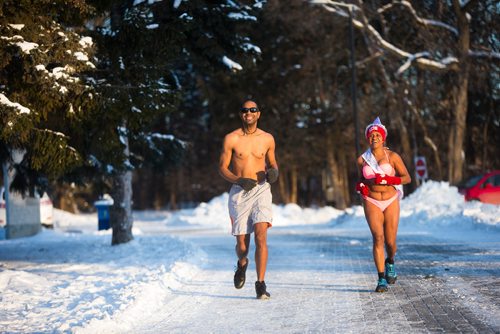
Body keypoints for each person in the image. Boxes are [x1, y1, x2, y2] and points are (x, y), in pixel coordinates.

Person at [218, 100, 279, 300]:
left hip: (261, 190)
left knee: (261, 236)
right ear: (241, 114)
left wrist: (274, 172)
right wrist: (239, 180)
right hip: (240, 191)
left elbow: (272, 162)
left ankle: (260, 284)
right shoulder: (231, 138)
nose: (249, 113)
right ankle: (242, 263)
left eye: (253, 110)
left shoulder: (268, 138)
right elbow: (222, 168)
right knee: (243, 246)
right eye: (245, 110)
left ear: (258, 114)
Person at [356, 117, 411, 292]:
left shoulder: (393, 156)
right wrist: (361, 187)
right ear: (368, 138)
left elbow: (406, 178)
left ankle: (391, 262)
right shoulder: (362, 160)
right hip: (371, 201)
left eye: (378, 135)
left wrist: (388, 179)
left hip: (390, 200)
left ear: (383, 137)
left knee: (390, 241)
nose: (375, 138)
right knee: (377, 238)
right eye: (371, 136)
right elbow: (360, 181)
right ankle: (381, 279)